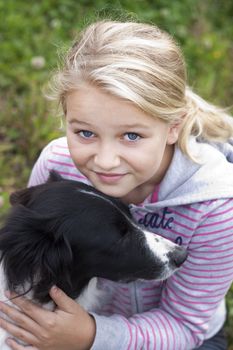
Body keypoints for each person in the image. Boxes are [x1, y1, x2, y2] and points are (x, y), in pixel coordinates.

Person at [0, 19, 233, 350]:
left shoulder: (215, 208)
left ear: (172, 127)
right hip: (68, 323)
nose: (105, 160)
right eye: (85, 133)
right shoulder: (57, 165)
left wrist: (91, 336)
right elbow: (27, 262)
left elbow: (184, 325)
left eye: (131, 135)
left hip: (178, 337)